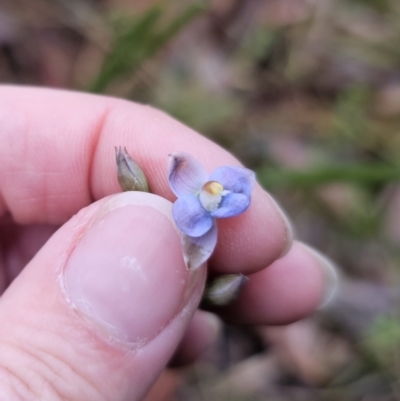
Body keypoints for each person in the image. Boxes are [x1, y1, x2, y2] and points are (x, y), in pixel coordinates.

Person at [0, 86, 335, 401]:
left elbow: (222, 191)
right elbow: (179, 173)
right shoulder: (185, 190)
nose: (215, 190)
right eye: (211, 189)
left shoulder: (202, 199)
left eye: (217, 188)